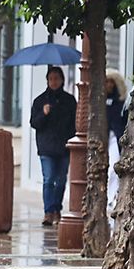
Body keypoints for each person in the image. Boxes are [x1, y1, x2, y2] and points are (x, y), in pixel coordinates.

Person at [29, 65, 78, 226]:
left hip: (64, 147)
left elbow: (75, 123)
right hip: (46, 148)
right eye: (51, 79)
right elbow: (34, 123)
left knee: (61, 180)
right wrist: (43, 114)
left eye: (56, 78)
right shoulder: (40, 101)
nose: (54, 82)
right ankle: (48, 211)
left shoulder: (69, 100)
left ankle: (57, 208)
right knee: (48, 179)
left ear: (62, 80)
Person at [104, 69, 129, 205]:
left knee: (113, 168)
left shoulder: (120, 104)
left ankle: (112, 197)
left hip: (115, 139)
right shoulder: (99, 103)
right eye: (106, 81)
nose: (108, 85)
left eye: (110, 82)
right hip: (102, 138)